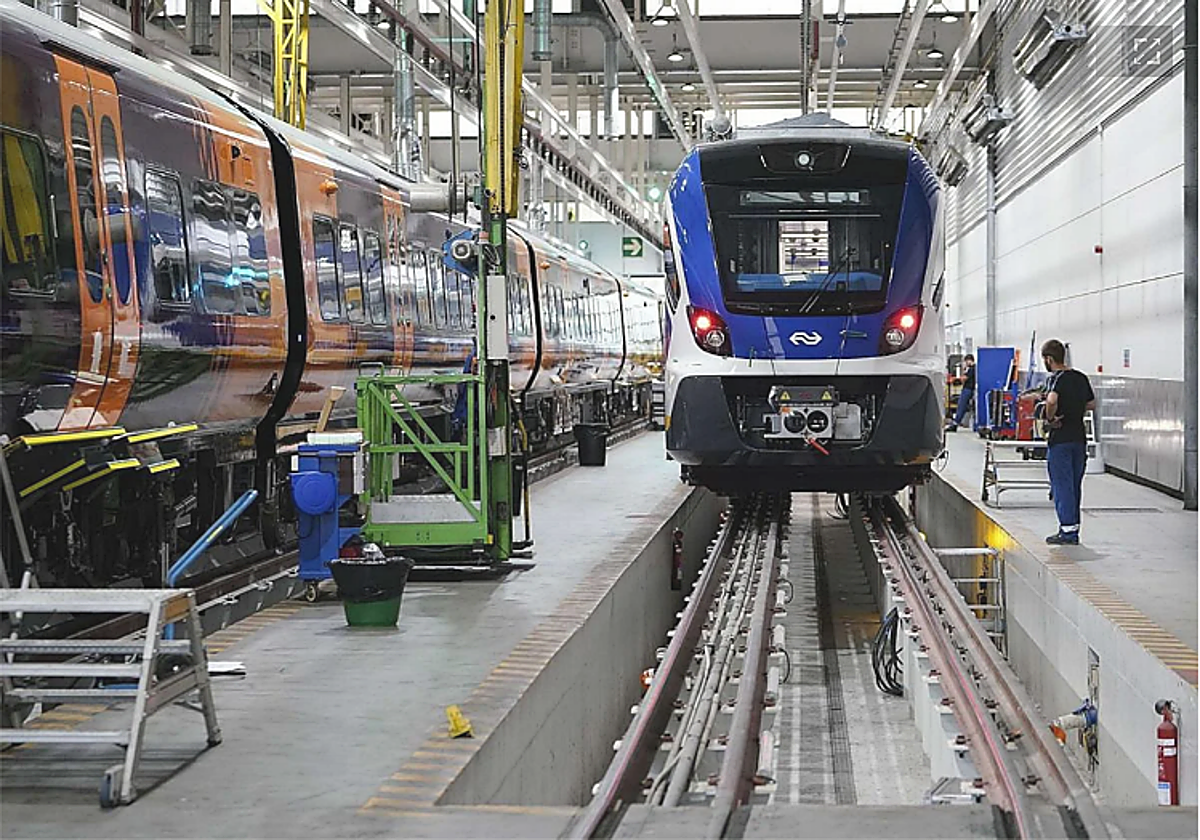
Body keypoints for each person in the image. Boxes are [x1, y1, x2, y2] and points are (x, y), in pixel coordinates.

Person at [1040, 339, 1095, 545]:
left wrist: (1050, 418)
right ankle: (1073, 528)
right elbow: (1092, 404)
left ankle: (1067, 532)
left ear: (1049, 359)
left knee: (1062, 485)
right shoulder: (1081, 377)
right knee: (1074, 485)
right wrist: (1075, 409)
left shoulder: (1056, 379)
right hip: (1079, 439)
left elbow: (1051, 400)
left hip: (1060, 439)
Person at [946, 354, 975, 432]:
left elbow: (964, 378)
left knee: (961, 405)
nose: (965, 363)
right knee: (963, 406)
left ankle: (955, 423)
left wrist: (956, 378)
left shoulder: (972, 369)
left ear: (969, 360)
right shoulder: (973, 368)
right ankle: (956, 422)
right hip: (969, 389)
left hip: (968, 389)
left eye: (966, 361)